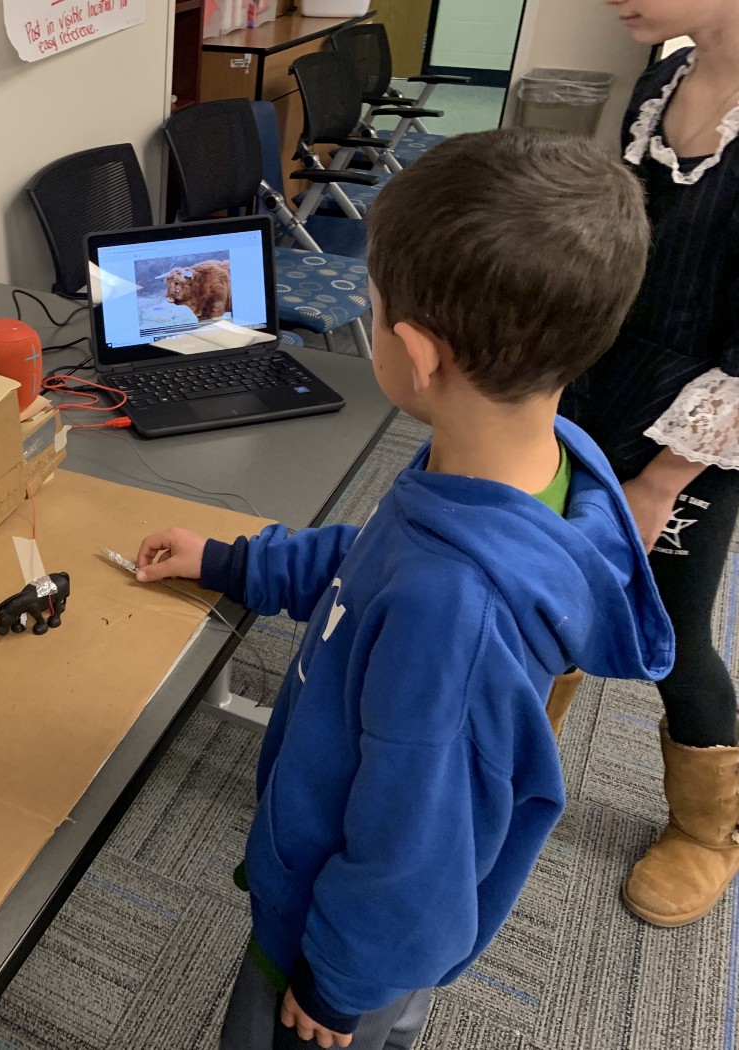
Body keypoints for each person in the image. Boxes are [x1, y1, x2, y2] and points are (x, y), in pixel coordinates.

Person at [135, 129, 674, 1050]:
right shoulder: (517, 470)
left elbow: (417, 852)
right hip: (349, 919)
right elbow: (367, 565)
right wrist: (236, 561)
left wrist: (339, 988)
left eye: (371, 306)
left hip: (347, 961)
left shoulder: (451, 608)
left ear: (419, 356)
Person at [559, 0, 739, 928]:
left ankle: (707, 831)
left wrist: (661, 481)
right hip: (596, 380)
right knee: (544, 570)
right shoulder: (663, 74)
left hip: (706, 421)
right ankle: (506, 751)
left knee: (670, 620)